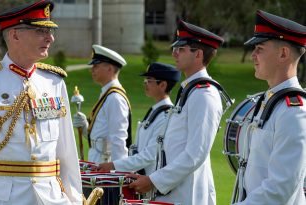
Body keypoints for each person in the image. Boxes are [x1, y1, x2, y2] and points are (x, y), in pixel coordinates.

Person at [0, 1, 82, 204]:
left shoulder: (54, 81)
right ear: (15, 35)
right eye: (40, 31)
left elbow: (67, 153)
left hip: (51, 198)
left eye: (50, 32)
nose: (50, 38)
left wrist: (74, 198)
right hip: (2, 199)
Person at [128, 20, 231, 205]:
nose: (174, 53)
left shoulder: (204, 94)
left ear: (198, 54)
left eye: (181, 49)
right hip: (175, 193)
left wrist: (153, 180)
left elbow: (195, 153)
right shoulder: (191, 90)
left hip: (188, 195)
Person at [232, 10, 306, 205]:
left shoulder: (294, 111)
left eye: (260, 48)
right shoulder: (271, 101)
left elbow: (281, 187)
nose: (253, 56)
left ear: (283, 54)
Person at [97, 62, 180, 176]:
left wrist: (114, 165)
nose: (145, 84)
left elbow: (149, 155)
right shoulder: (155, 111)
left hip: (154, 181)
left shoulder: (166, 116)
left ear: (162, 85)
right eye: (145, 81)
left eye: (149, 81)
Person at [73, 45, 131, 164]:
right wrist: (85, 128)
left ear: (109, 68)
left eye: (96, 66)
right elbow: (102, 133)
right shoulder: (107, 94)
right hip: (99, 159)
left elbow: (118, 139)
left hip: (106, 163)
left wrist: (118, 173)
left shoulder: (114, 97)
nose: (92, 70)